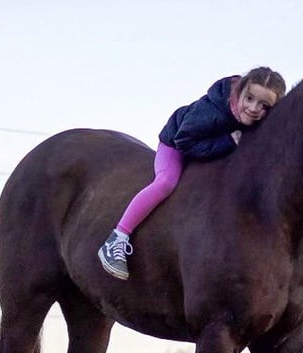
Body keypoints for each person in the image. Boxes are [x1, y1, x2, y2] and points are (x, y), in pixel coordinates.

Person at [98, 66, 287, 280]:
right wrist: (228, 142)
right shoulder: (212, 111)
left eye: (264, 105)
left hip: (209, 147)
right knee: (166, 182)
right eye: (250, 98)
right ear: (240, 91)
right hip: (178, 144)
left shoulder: (256, 122)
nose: (254, 108)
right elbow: (184, 141)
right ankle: (118, 237)